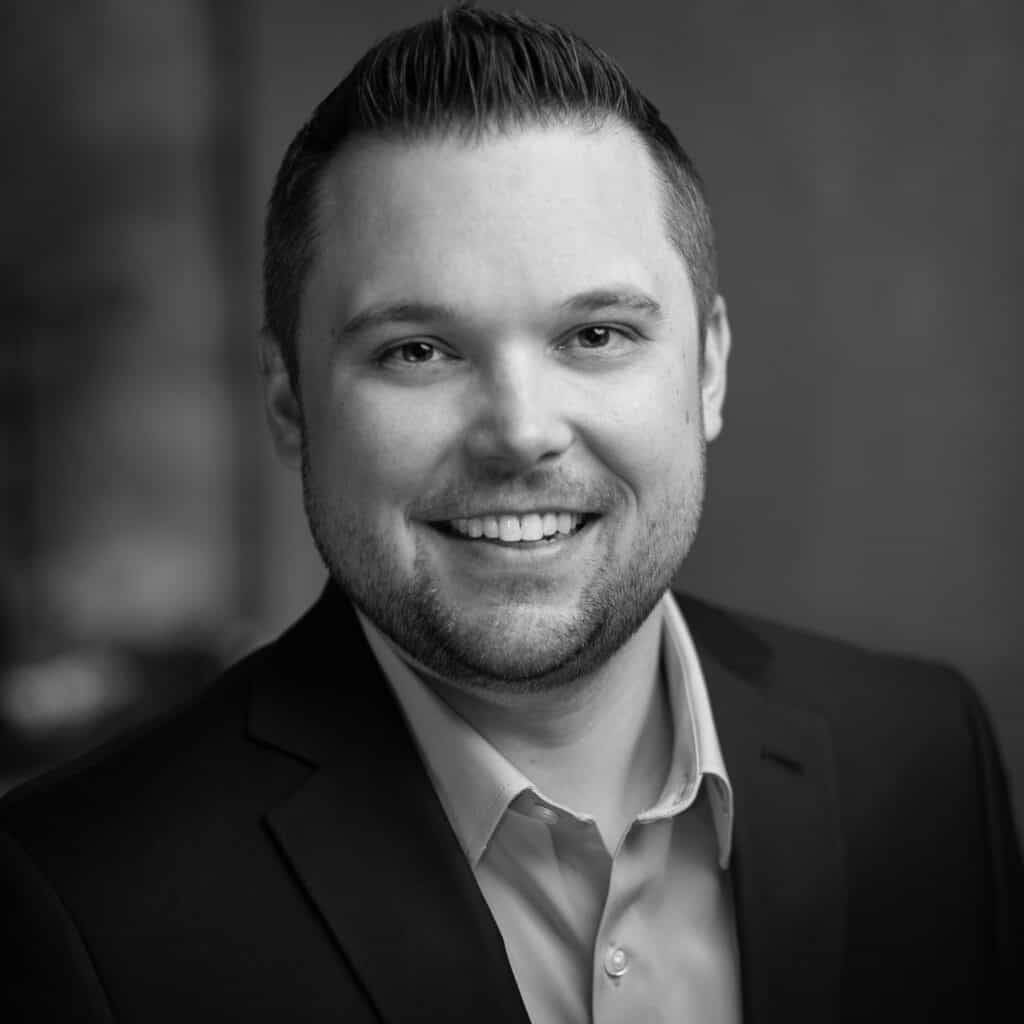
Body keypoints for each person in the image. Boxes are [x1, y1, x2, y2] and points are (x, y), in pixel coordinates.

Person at [1, 6, 1020, 1022]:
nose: (522, 432)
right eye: (417, 350)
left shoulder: (923, 759)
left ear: (707, 368)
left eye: (596, 333)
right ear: (289, 403)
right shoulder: (75, 900)